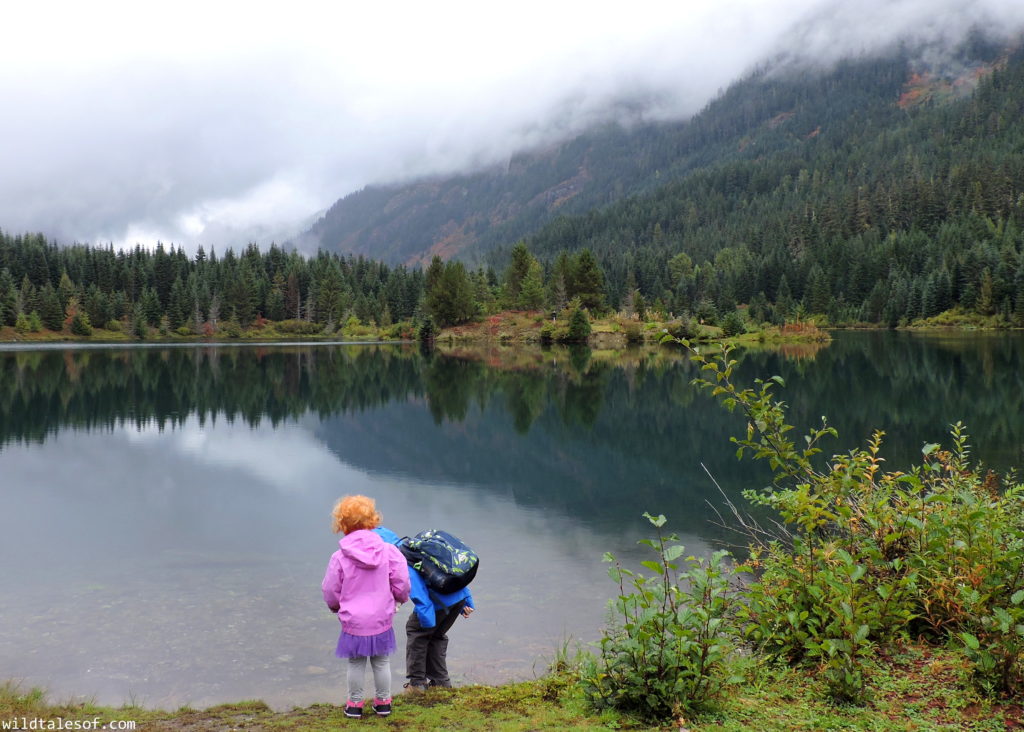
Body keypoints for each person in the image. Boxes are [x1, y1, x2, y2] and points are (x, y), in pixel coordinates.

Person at [322, 495, 410, 719]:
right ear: (372, 520)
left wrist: (336, 607)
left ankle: (354, 705)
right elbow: (401, 582)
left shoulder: (339, 556)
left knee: (356, 662)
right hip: (381, 616)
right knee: (382, 661)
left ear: (343, 524)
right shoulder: (389, 551)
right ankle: (383, 703)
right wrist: (399, 600)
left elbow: (331, 590)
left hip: (354, 620)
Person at [374, 527, 476, 692]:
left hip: (439, 605)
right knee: (436, 637)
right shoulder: (417, 548)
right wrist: (467, 601)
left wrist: (427, 623)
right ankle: (441, 683)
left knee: (416, 632)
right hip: (457, 599)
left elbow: (419, 595)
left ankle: (417, 685)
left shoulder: (402, 560)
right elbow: (453, 573)